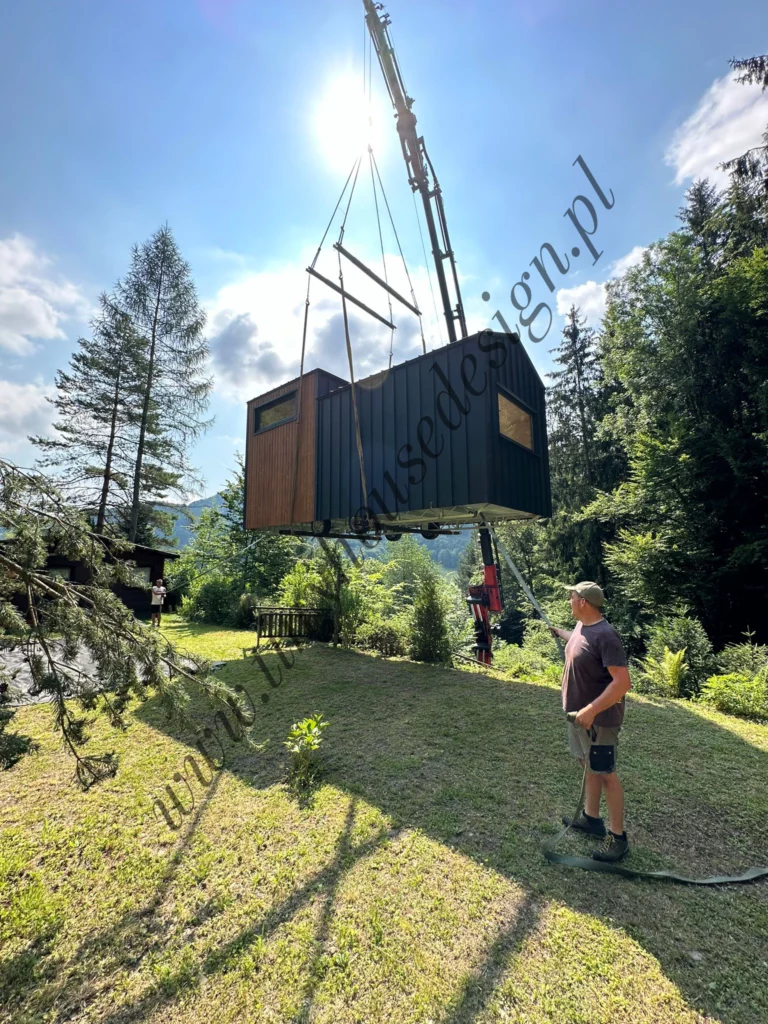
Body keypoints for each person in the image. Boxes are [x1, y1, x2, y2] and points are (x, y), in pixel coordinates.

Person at [551, 581, 632, 862]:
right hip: (578, 717)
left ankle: (618, 838)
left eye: (572, 597)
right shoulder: (581, 628)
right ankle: (592, 819)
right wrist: (559, 633)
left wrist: (592, 710)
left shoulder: (606, 636)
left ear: (583, 601)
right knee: (589, 766)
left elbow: (622, 683)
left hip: (600, 721)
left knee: (606, 774)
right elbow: (577, 644)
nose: (569, 600)